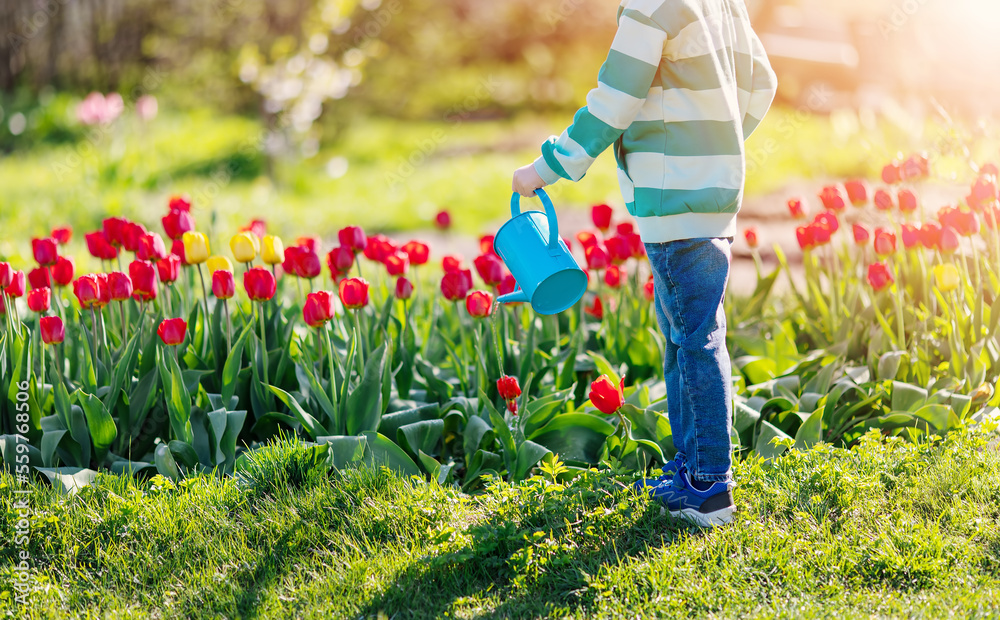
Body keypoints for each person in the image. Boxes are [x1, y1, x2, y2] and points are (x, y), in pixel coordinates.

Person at [512, 0, 777, 527]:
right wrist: (714, 149)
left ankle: (708, 486)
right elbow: (761, 82)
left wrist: (546, 167)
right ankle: (692, 468)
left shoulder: (649, 7)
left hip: (671, 199)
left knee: (695, 339)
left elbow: (615, 100)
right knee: (689, 336)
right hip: (715, 193)